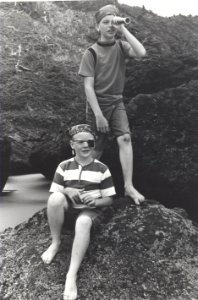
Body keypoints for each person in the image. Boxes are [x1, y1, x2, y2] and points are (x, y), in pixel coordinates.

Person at [79, 4, 146, 205]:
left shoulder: (121, 46)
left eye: (112, 22)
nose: (109, 26)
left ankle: (128, 186)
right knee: (95, 148)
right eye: (105, 22)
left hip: (117, 101)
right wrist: (98, 115)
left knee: (125, 138)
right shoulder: (90, 53)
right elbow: (88, 87)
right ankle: (86, 188)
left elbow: (141, 52)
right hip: (98, 104)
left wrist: (123, 27)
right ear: (98, 26)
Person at [41, 124, 116, 300]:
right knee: (55, 199)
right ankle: (55, 243)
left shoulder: (102, 168)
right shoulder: (64, 166)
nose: (85, 146)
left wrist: (96, 201)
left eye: (89, 142)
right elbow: (55, 192)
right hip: (69, 210)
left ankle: (71, 275)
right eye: (80, 142)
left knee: (82, 222)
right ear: (72, 145)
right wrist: (67, 191)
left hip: (91, 212)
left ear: (94, 144)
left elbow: (110, 199)